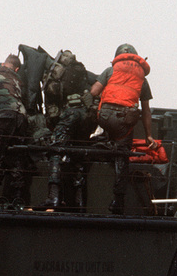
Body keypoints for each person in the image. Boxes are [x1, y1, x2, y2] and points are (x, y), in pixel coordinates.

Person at [89, 44, 156, 214]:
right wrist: (148, 135)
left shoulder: (110, 71)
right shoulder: (142, 78)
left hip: (103, 118)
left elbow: (94, 91)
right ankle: (118, 200)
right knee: (122, 156)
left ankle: (99, 144)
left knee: (99, 137)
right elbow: (146, 110)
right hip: (123, 124)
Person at [42, 50, 96, 209]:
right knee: (79, 156)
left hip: (70, 114)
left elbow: (52, 101)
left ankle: (54, 197)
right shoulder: (84, 73)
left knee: (56, 150)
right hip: (86, 118)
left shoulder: (58, 74)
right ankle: (79, 201)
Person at [0, 54, 30, 207]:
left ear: (4, 63)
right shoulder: (20, 80)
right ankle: (17, 196)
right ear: (16, 69)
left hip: (3, 114)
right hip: (21, 117)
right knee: (16, 156)